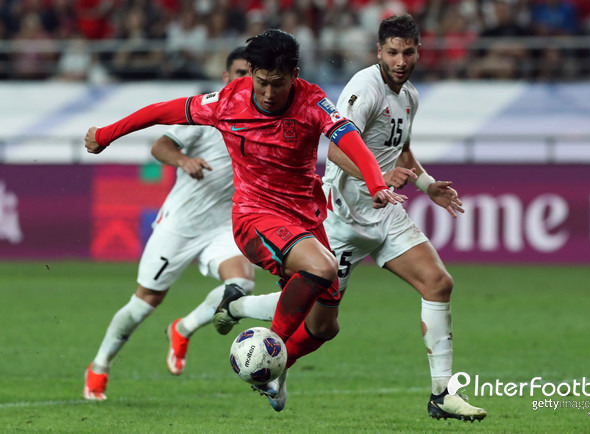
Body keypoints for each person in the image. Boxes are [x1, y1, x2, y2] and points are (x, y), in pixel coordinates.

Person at [83, 29, 404, 411]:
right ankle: (268, 358)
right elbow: (159, 112)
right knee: (322, 267)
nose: (269, 93)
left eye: (279, 84)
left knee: (324, 326)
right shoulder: (225, 101)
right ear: (250, 72)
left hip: (303, 219)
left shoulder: (312, 101)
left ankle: (250, 331)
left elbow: (349, 138)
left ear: (295, 75)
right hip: (253, 215)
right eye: (262, 82)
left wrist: (374, 181)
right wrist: (105, 134)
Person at [212, 15, 487, 422]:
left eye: (407, 52)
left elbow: (402, 149)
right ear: (379, 51)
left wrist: (427, 184)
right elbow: (338, 148)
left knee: (438, 283)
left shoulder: (409, 95)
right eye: (392, 52)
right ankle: (242, 310)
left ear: (418, 52)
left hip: (385, 214)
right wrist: (376, 176)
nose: (400, 60)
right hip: (341, 217)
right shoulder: (364, 88)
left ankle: (441, 394)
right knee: (323, 326)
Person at [83, 46, 255, 401]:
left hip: (223, 226)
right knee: (145, 302)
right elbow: (160, 145)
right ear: (226, 78)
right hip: (181, 224)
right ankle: (99, 364)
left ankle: (184, 328)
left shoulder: (262, 120)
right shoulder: (209, 113)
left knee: (241, 283)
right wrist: (183, 160)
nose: (245, 81)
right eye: (239, 73)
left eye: (251, 74)